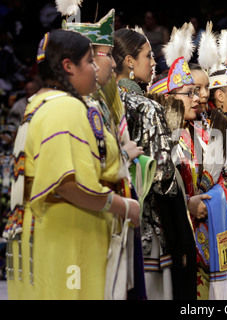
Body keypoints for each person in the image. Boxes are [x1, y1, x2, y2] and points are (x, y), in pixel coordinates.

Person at [5, 29, 140, 300]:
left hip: (53, 234)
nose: (97, 67)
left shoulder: (39, 104)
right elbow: (68, 185)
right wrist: (124, 205)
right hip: (69, 239)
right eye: (90, 61)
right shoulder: (64, 108)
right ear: (68, 66)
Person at [113, 27, 197, 300]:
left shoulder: (101, 104)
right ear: (129, 61)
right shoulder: (147, 107)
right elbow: (162, 176)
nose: (153, 63)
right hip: (150, 226)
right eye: (148, 56)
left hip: (113, 220)